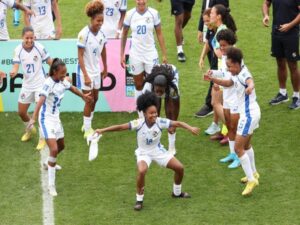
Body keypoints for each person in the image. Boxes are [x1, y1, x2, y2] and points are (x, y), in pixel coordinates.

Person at [94, 92, 200, 210]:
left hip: (158, 151)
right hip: (144, 153)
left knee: (180, 168)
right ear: (144, 113)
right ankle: (139, 200)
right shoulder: (138, 123)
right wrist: (102, 130)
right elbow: (120, 127)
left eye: (155, 112)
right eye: (151, 113)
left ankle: (177, 193)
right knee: (142, 170)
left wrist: (191, 128)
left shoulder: (160, 122)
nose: (154, 115)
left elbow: (178, 123)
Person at [28, 58, 92, 196]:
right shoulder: (48, 84)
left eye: (66, 73)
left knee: (61, 146)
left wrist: (83, 96)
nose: (65, 76)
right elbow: (41, 101)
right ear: (55, 72)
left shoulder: (62, 81)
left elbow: (72, 88)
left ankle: (48, 162)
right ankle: (51, 185)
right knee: (54, 149)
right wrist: (33, 117)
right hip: (46, 120)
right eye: (62, 73)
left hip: (56, 119)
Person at [205, 47, 260, 196]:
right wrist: (213, 79)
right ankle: (254, 174)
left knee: (238, 148)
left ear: (237, 63)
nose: (228, 69)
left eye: (230, 66)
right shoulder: (236, 72)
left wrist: (250, 87)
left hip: (249, 115)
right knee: (246, 145)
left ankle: (251, 180)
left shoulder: (244, 74)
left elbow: (250, 81)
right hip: (250, 113)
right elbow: (229, 83)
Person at [121, 0, 167, 116]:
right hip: (135, 55)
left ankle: (153, 112)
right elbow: (124, 34)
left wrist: (164, 54)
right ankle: (141, 116)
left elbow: (159, 34)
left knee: (154, 83)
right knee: (138, 85)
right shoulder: (129, 14)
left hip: (150, 54)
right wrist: (121, 53)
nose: (141, 1)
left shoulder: (154, 13)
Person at [10, 26, 52, 150]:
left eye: (31, 37)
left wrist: (55, 72)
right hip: (27, 85)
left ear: (34, 37)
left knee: (38, 114)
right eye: (27, 38)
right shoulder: (18, 50)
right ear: (22, 37)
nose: (29, 40)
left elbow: (50, 61)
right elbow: (16, 66)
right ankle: (30, 130)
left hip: (40, 84)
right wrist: (13, 72)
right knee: (21, 112)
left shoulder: (39, 47)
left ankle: (42, 139)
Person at [205, 29, 240, 168]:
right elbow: (224, 73)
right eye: (220, 45)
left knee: (236, 127)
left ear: (231, 44)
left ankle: (239, 155)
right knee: (230, 126)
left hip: (237, 97)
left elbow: (230, 81)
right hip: (228, 96)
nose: (222, 48)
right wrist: (213, 72)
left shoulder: (236, 58)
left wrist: (215, 81)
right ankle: (232, 153)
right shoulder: (226, 57)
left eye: (224, 45)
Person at [77, 0, 108, 138]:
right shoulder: (84, 34)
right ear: (92, 19)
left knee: (95, 98)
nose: (100, 23)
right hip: (86, 72)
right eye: (98, 21)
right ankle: (87, 129)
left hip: (96, 71)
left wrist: (105, 67)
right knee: (89, 100)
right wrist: (85, 75)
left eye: (102, 20)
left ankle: (87, 123)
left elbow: (103, 51)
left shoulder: (102, 34)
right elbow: (80, 56)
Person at [262, 0, 300, 109]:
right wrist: (266, 15)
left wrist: (290, 25)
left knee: (292, 65)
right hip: (276, 32)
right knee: (280, 62)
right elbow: (266, 3)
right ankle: (283, 93)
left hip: (291, 33)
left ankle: (297, 96)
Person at [195, 0, 229, 118]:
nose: (210, 16)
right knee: (217, 102)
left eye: (212, 14)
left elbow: (220, 54)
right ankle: (223, 129)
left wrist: (213, 44)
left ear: (218, 16)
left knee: (218, 102)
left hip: (225, 71)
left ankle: (230, 131)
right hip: (221, 70)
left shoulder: (222, 32)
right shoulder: (216, 30)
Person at [142, 64, 180, 155]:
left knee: (170, 117)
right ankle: (153, 144)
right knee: (153, 115)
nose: (159, 93)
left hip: (172, 76)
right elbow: (144, 108)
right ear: (153, 86)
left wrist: (172, 124)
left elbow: (176, 109)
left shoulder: (172, 88)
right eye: (157, 91)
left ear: (165, 87)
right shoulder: (148, 86)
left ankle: (172, 148)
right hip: (157, 79)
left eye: (161, 91)